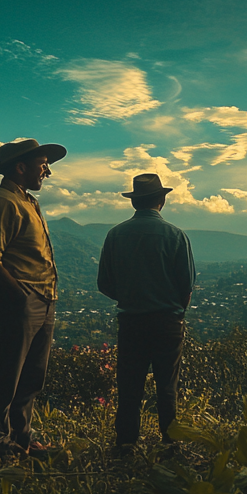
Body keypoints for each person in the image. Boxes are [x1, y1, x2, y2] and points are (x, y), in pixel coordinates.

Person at [0, 138, 66, 458]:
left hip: (43, 299)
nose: (48, 172)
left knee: (31, 377)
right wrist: (19, 297)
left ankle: (21, 438)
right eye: (43, 165)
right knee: (7, 373)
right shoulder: (1, 202)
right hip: (23, 300)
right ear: (20, 167)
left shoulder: (26, 201)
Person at [97, 174, 196, 454]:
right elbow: (185, 285)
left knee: (129, 386)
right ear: (161, 200)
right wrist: (174, 310)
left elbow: (104, 283)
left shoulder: (115, 235)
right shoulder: (176, 235)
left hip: (131, 321)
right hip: (167, 321)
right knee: (167, 385)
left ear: (134, 202)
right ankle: (170, 443)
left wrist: (131, 296)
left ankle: (126, 443)